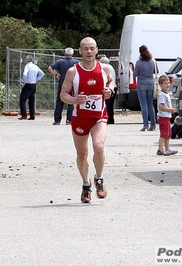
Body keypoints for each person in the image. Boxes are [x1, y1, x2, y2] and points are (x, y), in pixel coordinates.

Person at [60, 37, 115, 203]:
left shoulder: (105, 69)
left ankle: (99, 178)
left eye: (92, 48)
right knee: (82, 154)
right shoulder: (73, 72)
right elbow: (63, 95)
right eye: (86, 49)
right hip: (79, 117)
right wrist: (75, 100)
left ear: (97, 50)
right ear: (80, 51)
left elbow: (112, 83)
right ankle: (86, 184)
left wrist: (110, 91)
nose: (89, 52)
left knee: (98, 146)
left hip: (99, 116)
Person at [48, 47, 79, 125]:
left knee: (59, 101)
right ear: (72, 54)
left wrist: (56, 74)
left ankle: (57, 120)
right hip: (73, 84)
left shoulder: (60, 61)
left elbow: (50, 68)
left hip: (62, 84)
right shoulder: (76, 62)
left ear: (65, 54)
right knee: (71, 101)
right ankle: (69, 120)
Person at [133, 45, 158, 131]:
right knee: (150, 104)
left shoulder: (138, 62)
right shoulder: (152, 61)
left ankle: (145, 124)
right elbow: (156, 71)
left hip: (141, 84)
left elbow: (135, 74)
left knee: (143, 105)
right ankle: (153, 124)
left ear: (140, 52)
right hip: (150, 83)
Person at [156, 75, 178, 156]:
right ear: (160, 85)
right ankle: (160, 148)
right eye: (165, 83)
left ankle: (167, 148)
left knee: (168, 133)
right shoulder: (162, 95)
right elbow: (160, 106)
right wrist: (170, 110)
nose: (168, 85)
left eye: (168, 83)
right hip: (163, 117)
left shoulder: (166, 94)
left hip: (167, 117)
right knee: (164, 133)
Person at [18, 55, 44, 120]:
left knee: (22, 100)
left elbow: (24, 74)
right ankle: (32, 115)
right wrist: (37, 79)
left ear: (27, 60)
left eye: (25, 59)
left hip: (28, 85)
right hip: (33, 85)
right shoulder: (35, 66)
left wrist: (24, 80)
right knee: (31, 101)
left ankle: (24, 115)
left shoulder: (27, 66)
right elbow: (42, 73)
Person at [99, 54, 117, 124]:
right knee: (111, 105)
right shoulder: (111, 67)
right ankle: (111, 119)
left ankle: (107, 119)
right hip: (113, 87)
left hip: (107, 87)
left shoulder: (104, 68)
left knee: (107, 104)